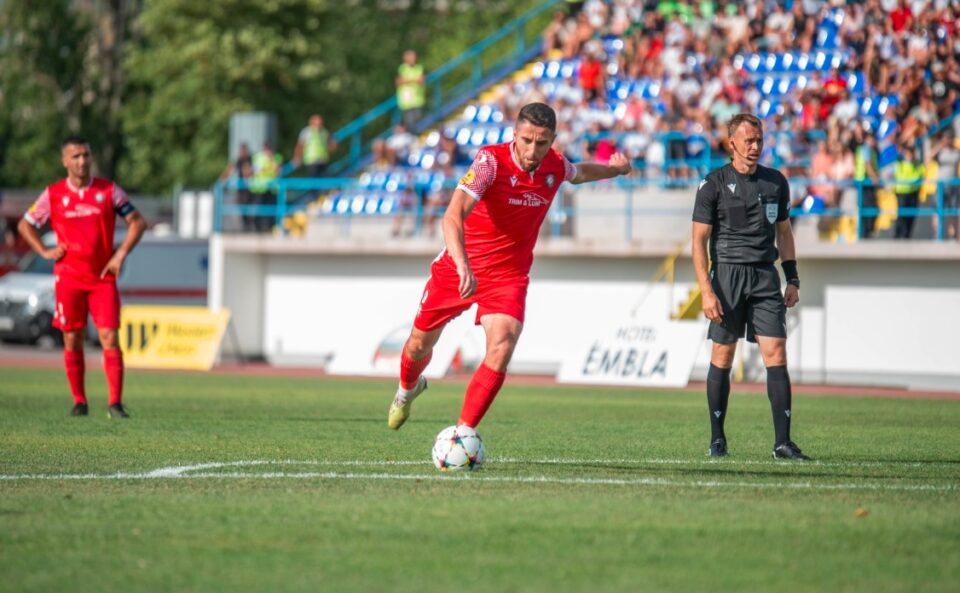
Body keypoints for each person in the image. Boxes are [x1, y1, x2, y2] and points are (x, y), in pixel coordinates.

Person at [386, 102, 631, 431]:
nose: (532, 150)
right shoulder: (490, 162)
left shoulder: (555, 165)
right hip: (460, 266)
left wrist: (614, 169)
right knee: (418, 345)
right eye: (526, 140)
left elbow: (581, 173)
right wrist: (462, 266)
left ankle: (462, 434)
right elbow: (452, 216)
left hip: (508, 276)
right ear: (515, 134)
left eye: (542, 142)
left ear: (553, 140)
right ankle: (406, 391)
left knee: (502, 344)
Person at [691, 113, 810, 461]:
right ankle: (717, 439)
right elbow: (698, 242)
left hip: (764, 277)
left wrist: (793, 277)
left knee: (777, 354)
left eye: (759, 140)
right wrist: (706, 290)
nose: (755, 146)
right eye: (749, 140)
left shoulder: (775, 183)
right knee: (723, 356)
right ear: (732, 143)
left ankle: (782, 443)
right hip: (726, 277)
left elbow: (784, 233)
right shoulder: (712, 183)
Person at [17, 136, 146, 418]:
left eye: (86, 155)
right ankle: (79, 401)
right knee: (72, 338)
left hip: (102, 277)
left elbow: (137, 222)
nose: (82, 161)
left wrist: (120, 253)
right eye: (75, 156)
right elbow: (25, 225)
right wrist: (44, 251)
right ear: (65, 161)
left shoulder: (109, 191)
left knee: (109, 335)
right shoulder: (53, 195)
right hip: (69, 278)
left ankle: (115, 403)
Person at [219, 143, 254, 232]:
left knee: (248, 209)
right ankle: (245, 226)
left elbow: (249, 173)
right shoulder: (239, 161)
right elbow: (230, 169)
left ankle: (249, 226)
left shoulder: (250, 160)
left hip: (249, 190)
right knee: (241, 208)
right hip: (241, 190)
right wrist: (222, 180)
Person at [892, 144, 925, 240]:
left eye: (911, 153)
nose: (910, 155)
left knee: (911, 215)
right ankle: (898, 236)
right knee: (902, 215)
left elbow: (921, 175)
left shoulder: (917, 164)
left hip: (913, 193)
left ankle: (906, 236)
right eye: (908, 153)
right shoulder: (900, 164)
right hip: (902, 192)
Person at [250, 142, 283, 233]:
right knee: (260, 208)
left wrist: (268, 169)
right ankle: (257, 227)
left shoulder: (277, 158)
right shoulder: (258, 158)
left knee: (272, 208)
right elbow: (257, 171)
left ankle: (271, 227)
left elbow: (279, 171)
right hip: (260, 188)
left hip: (272, 188)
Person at [396, 50, 426, 131]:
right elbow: (399, 81)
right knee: (410, 123)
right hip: (406, 102)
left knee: (418, 120)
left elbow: (422, 80)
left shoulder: (419, 67)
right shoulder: (402, 68)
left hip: (418, 100)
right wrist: (414, 80)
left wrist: (408, 80)